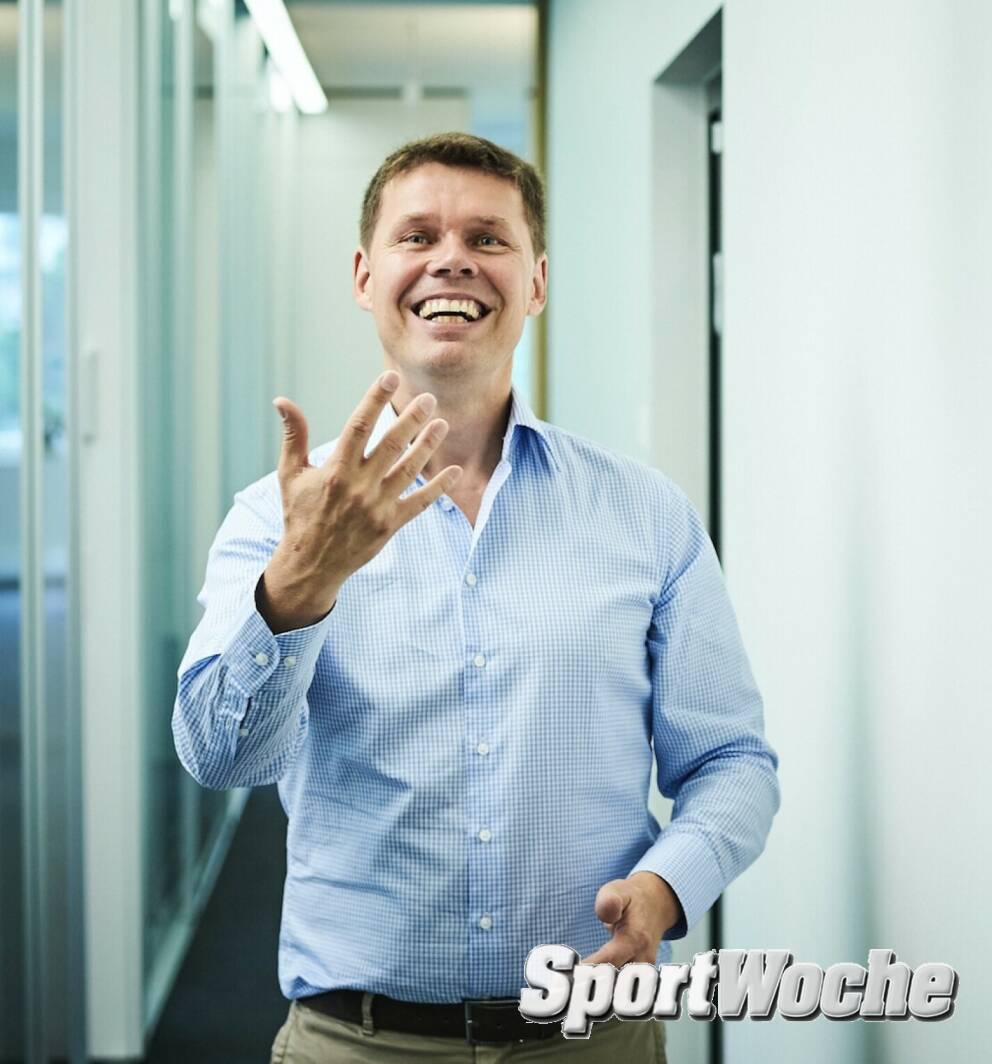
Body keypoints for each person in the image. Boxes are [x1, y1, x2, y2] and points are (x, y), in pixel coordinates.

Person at [173, 132, 779, 1062]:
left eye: (488, 239)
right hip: (357, 1041)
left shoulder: (643, 513)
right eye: (418, 236)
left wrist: (668, 886)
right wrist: (301, 583)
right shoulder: (275, 516)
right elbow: (222, 760)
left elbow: (734, 761)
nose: (451, 259)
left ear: (536, 282)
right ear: (366, 275)